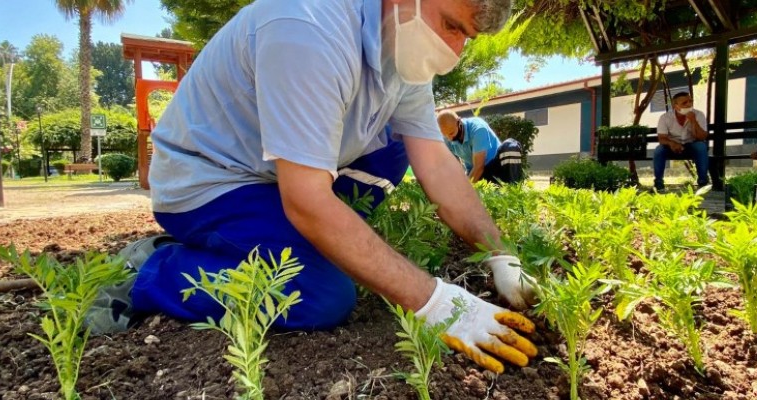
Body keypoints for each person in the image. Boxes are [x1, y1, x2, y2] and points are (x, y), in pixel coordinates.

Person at [85, 0, 538, 374]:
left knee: (400, 146)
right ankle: (152, 270)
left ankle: (318, 243)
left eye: (467, 39)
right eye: (451, 25)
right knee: (320, 294)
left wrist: (501, 254)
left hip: (273, 175)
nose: (455, 49)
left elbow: (436, 164)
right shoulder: (307, 26)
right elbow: (306, 202)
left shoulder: (402, 56)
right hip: (210, 179)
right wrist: (434, 301)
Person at [436, 111, 524, 184]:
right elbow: (453, 167)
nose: (449, 138)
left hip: (496, 165)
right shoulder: (446, 138)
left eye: (451, 133)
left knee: (510, 146)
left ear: (459, 122)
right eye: (445, 135)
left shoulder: (478, 128)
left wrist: (466, 190)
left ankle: (515, 189)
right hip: (479, 173)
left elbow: (479, 167)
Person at [653, 92, 709, 191]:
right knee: (659, 150)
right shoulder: (665, 117)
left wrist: (693, 121)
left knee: (701, 147)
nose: (689, 104)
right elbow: (662, 138)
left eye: (690, 101)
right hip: (671, 147)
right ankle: (658, 182)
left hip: (691, 146)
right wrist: (672, 143)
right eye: (684, 103)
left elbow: (702, 137)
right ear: (676, 106)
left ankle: (703, 182)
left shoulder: (698, 114)